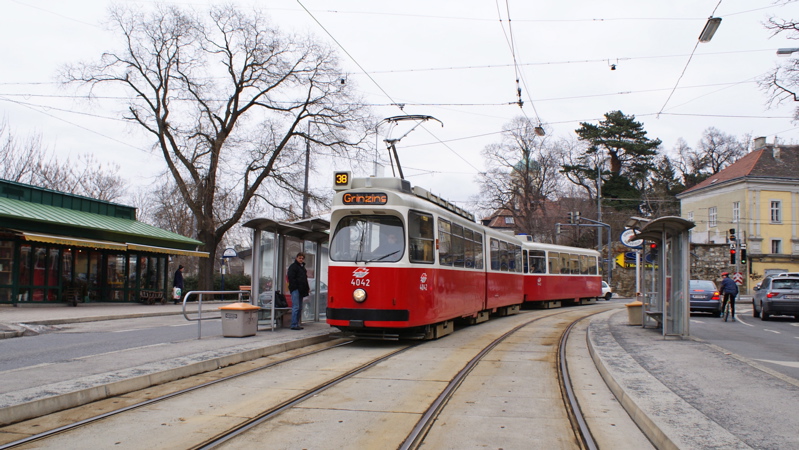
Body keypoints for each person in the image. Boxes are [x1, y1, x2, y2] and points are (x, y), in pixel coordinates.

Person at [287, 253, 310, 330]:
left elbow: (305, 279)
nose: (301, 259)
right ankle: (294, 324)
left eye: (302, 258)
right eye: (300, 258)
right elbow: (291, 278)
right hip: (296, 289)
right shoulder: (293, 267)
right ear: (296, 258)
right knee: (296, 307)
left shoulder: (302, 268)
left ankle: (297, 323)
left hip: (301, 289)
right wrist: (295, 287)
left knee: (299, 307)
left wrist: (307, 288)